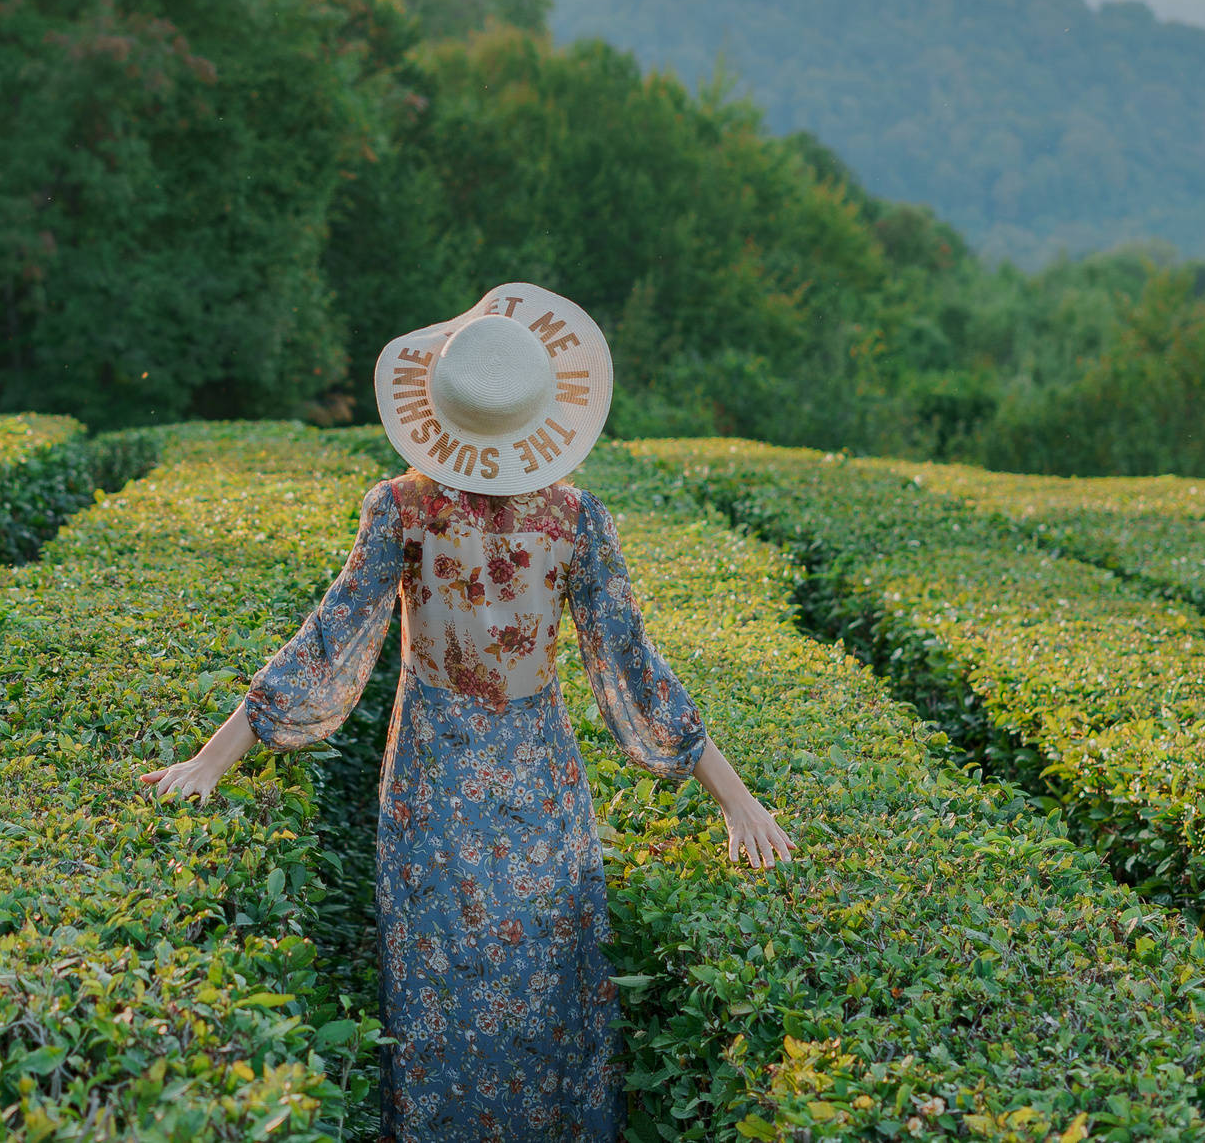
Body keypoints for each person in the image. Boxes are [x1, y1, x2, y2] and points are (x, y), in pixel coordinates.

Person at [141, 282, 795, 1140]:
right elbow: (634, 669)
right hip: (537, 780)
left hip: (433, 775)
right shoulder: (574, 517)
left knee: (442, 995)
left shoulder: (404, 504)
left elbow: (328, 639)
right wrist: (733, 796)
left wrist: (213, 758)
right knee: (544, 990)